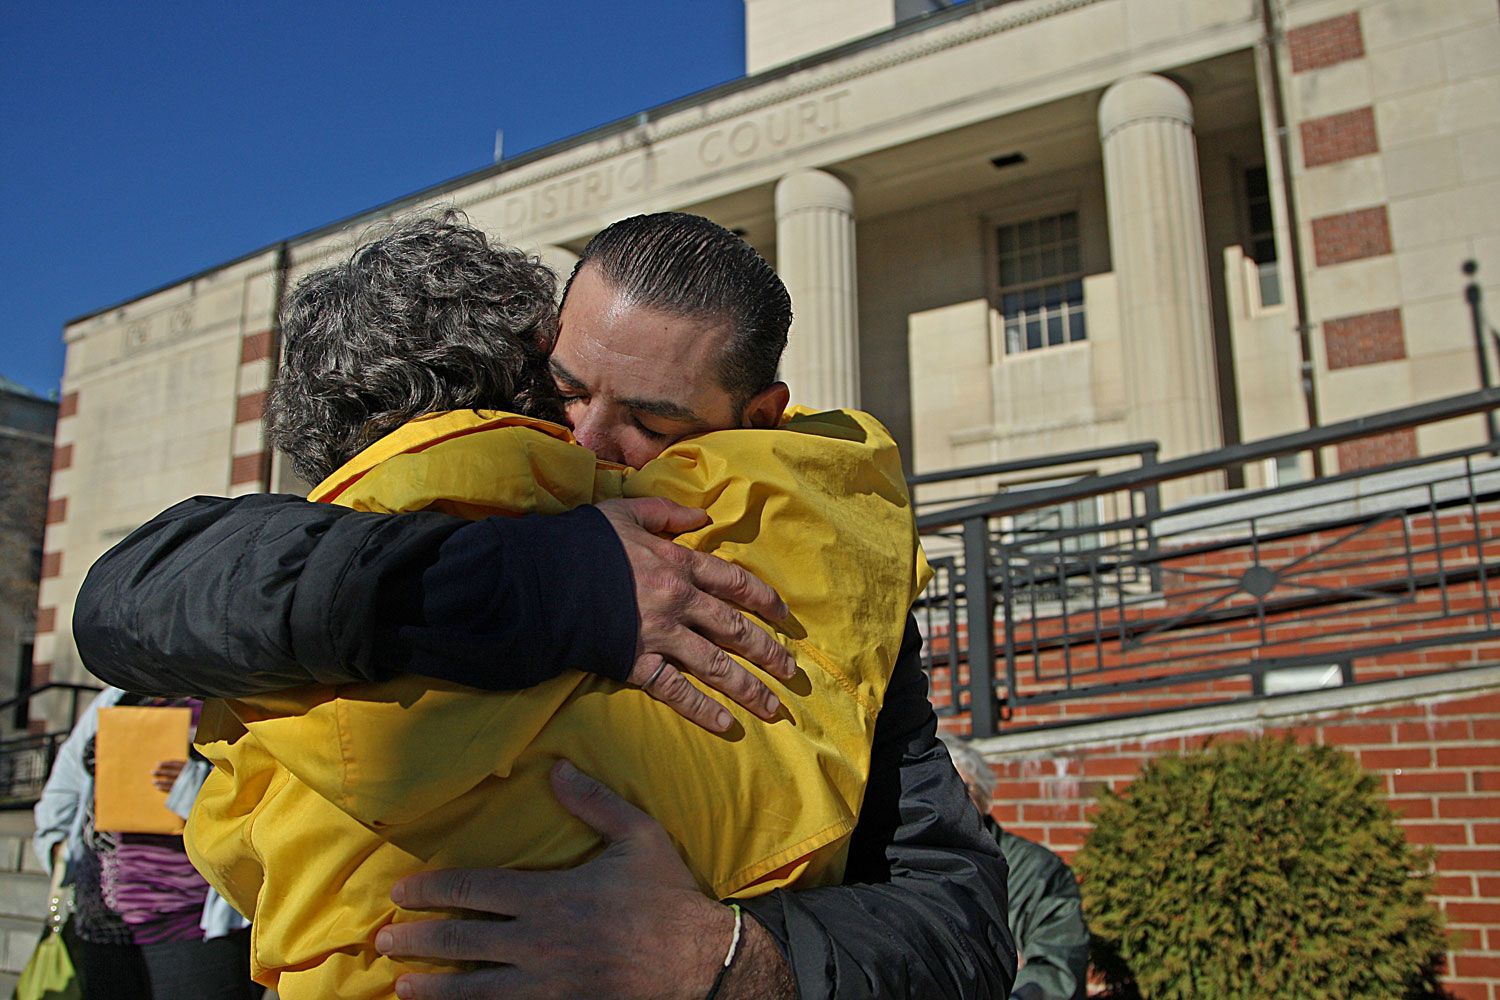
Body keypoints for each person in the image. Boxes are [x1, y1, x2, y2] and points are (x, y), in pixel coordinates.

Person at [75, 211, 1016, 1000]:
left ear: (760, 420)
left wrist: (720, 958)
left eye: (654, 421)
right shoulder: (437, 510)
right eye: (564, 394)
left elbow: (960, 928)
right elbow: (125, 601)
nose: (594, 441)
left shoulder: (820, 600)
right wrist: (550, 584)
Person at [32, 687, 258, 1000]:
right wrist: (56, 843)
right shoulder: (116, 698)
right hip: (103, 926)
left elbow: (262, 791)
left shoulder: (226, 695)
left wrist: (196, 787)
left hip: (189, 927)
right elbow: (67, 780)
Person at [940, 734, 1090, 1000]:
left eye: (962, 790)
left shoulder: (1037, 873)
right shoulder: (898, 871)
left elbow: (1056, 971)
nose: (950, 804)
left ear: (984, 799)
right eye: (939, 792)